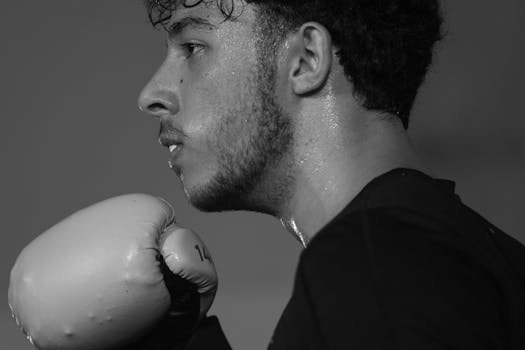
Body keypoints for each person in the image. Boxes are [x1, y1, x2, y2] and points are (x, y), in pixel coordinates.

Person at [137, 0, 525, 349]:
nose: (151, 94)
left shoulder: (372, 267)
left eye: (191, 47)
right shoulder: (452, 257)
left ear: (306, 60)